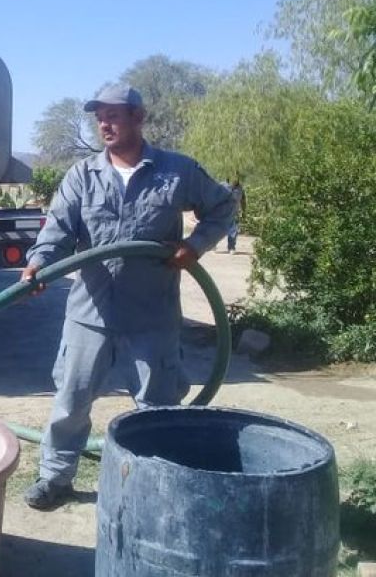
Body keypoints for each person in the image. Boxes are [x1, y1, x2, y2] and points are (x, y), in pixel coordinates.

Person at [20, 83, 234, 511]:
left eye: (114, 115)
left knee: (156, 407)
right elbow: (57, 232)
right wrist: (39, 263)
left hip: (152, 314)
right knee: (70, 402)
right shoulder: (82, 175)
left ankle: (154, 486)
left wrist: (196, 245)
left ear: (138, 117)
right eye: (99, 116)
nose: (104, 123)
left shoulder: (176, 170)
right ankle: (55, 478)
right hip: (89, 313)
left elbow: (222, 207)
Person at [224, 177, 246, 253]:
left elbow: (243, 201)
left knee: (233, 230)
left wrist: (244, 211)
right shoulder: (223, 186)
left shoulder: (240, 189)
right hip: (221, 212)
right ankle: (213, 244)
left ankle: (231, 247)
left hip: (234, 213)